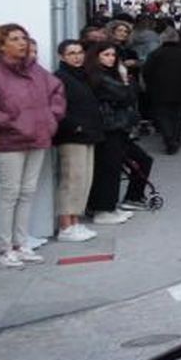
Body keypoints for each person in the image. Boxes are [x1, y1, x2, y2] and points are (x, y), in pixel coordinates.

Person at [0, 25, 66, 265]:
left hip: (38, 138)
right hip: (9, 142)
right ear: (1, 45)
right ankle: (4, 248)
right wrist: (11, 123)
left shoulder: (36, 71)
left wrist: (50, 118)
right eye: (15, 39)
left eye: (24, 38)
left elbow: (57, 91)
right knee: (10, 193)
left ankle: (21, 244)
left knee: (28, 192)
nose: (22, 42)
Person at [51, 39, 110, 239]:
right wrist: (74, 125)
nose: (77, 57)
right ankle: (65, 225)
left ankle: (75, 221)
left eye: (79, 52)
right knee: (72, 179)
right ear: (62, 56)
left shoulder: (82, 76)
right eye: (71, 53)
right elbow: (58, 108)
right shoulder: (60, 78)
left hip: (87, 133)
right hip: (72, 135)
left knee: (84, 179)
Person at [86, 41, 142, 225]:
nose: (110, 59)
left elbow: (131, 95)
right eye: (106, 55)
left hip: (117, 126)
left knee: (113, 168)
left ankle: (109, 205)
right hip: (109, 127)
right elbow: (124, 94)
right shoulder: (99, 76)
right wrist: (126, 79)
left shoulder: (107, 74)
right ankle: (103, 208)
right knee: (108, 169)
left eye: (112, 55)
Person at [143, 28, 181, 154]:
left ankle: (169, 138)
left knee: (163, 115)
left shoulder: (155, 54)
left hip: (159, 90)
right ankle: (175, 138)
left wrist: (151, 85)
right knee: (178, 117)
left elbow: (146, 72)